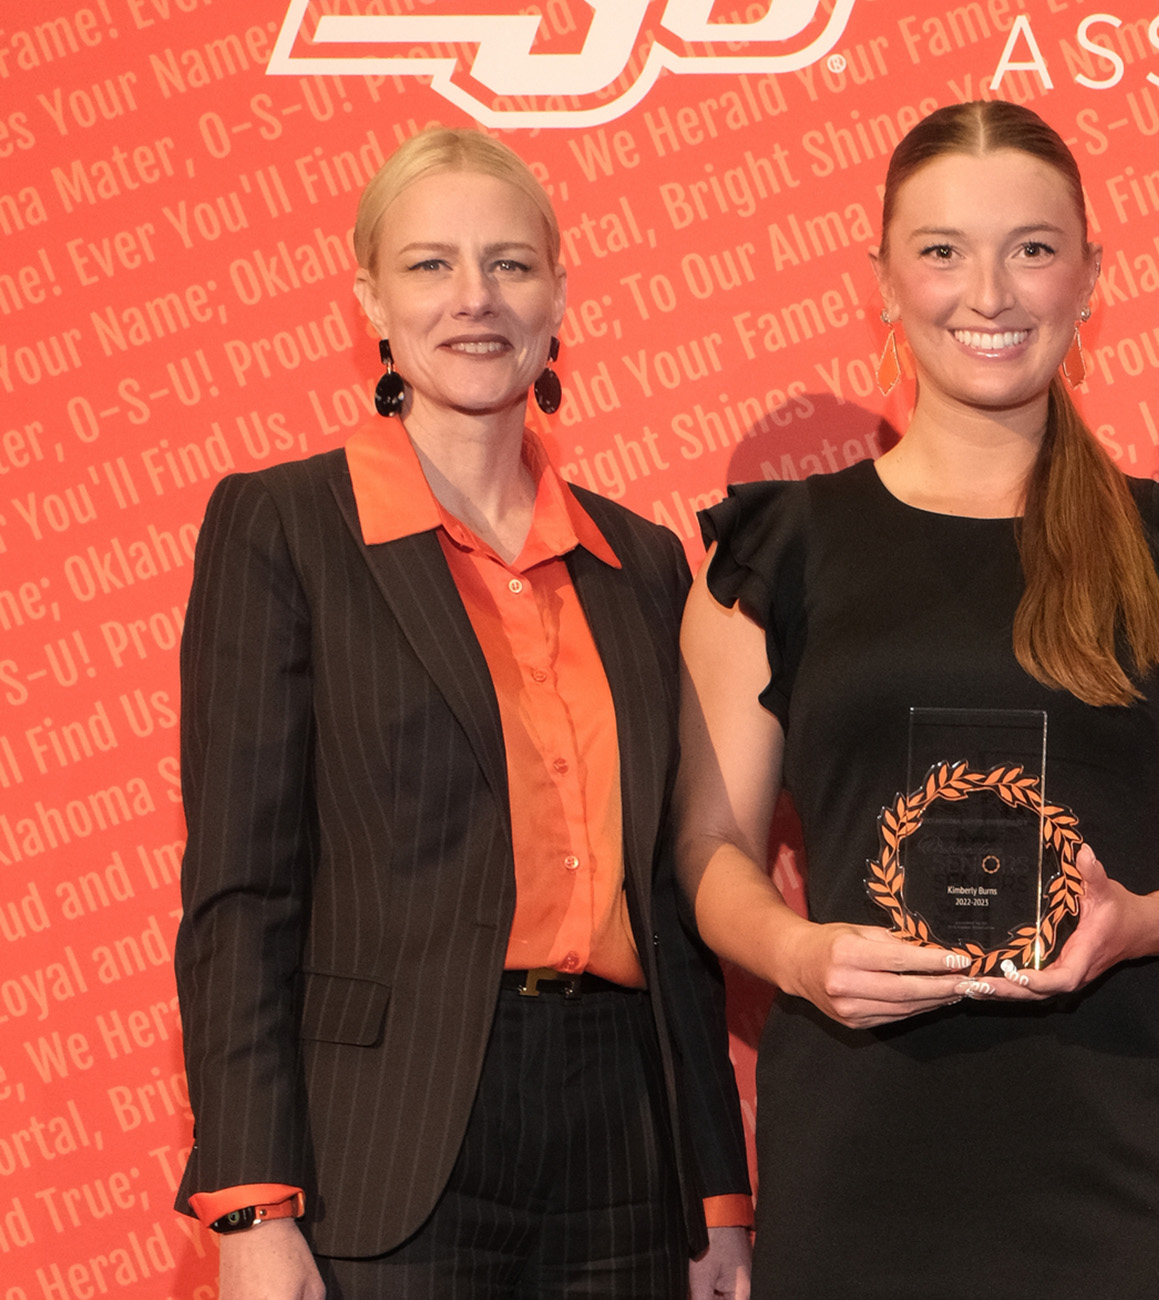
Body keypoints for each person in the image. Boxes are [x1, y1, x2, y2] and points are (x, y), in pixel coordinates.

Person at [673, 100, 1159, 1299]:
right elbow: (708, 847)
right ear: (883, 279)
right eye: (942, 250)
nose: (990, 293)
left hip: (1119, 1140)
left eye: (1032, 246)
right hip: (861, 1136)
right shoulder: (775, 553)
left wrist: (1145, 920)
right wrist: (800, 955)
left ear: (1090, 274)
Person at [173, 126, 752, 1299]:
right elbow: (242, 890)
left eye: (510, 265)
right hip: (381, 1144)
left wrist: (717, 1195)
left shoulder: (640, 561)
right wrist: (250, 1201)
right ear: (370, 300)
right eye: (431, 265)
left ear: (557, 296)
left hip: (624, 1137)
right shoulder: (283, 527)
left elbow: (676, 901)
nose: (474, 299)